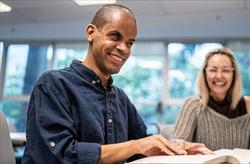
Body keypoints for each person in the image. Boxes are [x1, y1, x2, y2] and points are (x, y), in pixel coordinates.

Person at [21, 4, 208, 164]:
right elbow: (61, 154)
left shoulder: (119, 97)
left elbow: (143, 145)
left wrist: (175, 150)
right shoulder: (53, 84)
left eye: (130, 43)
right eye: (115, 36)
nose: (124, 49)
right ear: (91, 32)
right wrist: (135, 145)